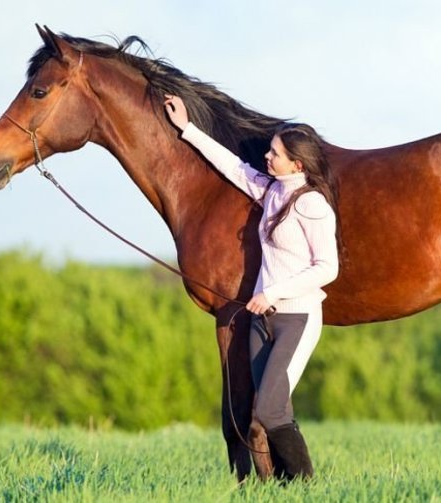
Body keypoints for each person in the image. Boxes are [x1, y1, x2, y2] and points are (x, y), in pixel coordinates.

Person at [164, 94, 339, 480]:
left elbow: (328, 268)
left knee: (269, 411)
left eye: (275, 153)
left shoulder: (313, 206)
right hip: (264, 320)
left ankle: (307, 486)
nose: (267, 157)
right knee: (269, 408)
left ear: (297, 163)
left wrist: (272, 293)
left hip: (296, 317)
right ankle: (281, 486)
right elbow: (233, 167)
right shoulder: (272, 192)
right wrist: (186, 128)